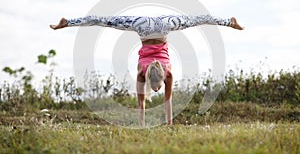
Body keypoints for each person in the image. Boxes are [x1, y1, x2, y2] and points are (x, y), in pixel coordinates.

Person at [50, 15, 244, 126]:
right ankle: (229, 21)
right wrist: (163, 125)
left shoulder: (147, 73)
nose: (158, 89)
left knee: (105, 21)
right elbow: (164, 102)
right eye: (158, 87)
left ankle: (67, 22)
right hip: (161, 24)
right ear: (158, 78)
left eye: (157, 88)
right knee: (196, 20)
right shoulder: (158, 73)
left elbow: (142, 103)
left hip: (143, 24)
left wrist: (157, 125)